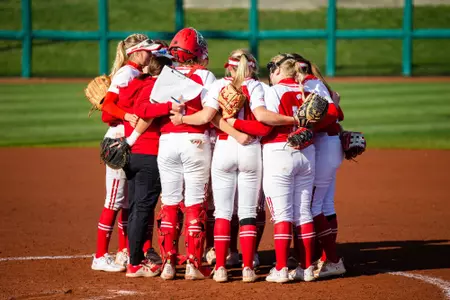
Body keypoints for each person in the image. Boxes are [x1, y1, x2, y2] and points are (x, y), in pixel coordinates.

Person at [116, 41, 184, 277]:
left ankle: (136, 256)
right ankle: (135, 263)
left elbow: (118, 107)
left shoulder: (137, 84)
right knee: (143, 208)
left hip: (133, 154)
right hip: (148, 153)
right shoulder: (156, 87)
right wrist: (169, 105)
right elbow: (144, 110)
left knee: (137, 207)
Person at [91, 33, 156, 272]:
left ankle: (124, 251)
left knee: (128, 201)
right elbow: (107, 107)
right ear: (136, 52)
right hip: (119, 139)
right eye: (147, 49)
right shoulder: (127, 73)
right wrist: (126, 114)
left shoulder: (137, 72)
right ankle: (99, 256)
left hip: (128, 139)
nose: (151, 53)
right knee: (115, 199)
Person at [259, 53, 317, 283]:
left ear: (280, 71)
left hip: (279, 151)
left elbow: (268, 119)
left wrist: (291, 120)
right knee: (303, 212)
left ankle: (281, 269)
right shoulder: (308, 90)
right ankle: (308, 268)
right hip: (307, 152)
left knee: (282, 214)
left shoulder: (273, 91)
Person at [292, 53, 346, 279]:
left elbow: (334, 113)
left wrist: (309, 128)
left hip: (324, 146)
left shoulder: (310, 83)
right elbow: (337, 111)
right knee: (324, 203)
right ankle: (324, 257)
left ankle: (331, 259)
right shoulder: (315, 82)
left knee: (312, 205)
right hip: (329, 145)